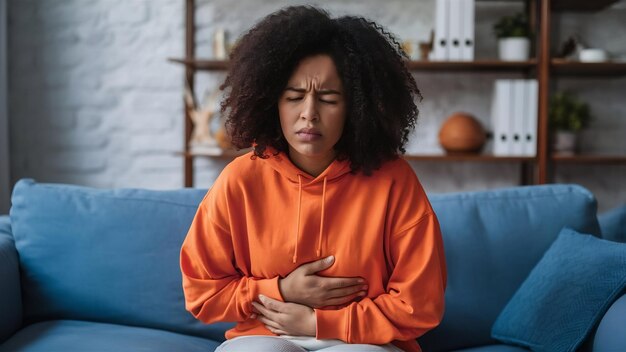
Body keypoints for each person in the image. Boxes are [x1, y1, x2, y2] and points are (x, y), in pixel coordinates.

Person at [180, 6, 447, 352]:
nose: (309, 114)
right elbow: (202, 292)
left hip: (366, 341)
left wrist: (321, 323)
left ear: (358, 106)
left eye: (328, 98)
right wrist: (282, 290)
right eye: (293, 97)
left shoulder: (394, 181)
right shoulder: (240, 179)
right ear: (271, 101)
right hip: (266, 335)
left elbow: (421, 304)